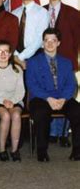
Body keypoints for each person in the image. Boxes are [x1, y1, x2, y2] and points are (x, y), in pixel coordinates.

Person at [26, 28, 80, 162]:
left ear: (58, 43)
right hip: (41, 98)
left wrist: (64, 98)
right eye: (46, 41)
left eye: (53, 40)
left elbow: (72, 84)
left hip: (62, 97)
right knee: (41, 113)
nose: (49, 44)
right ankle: (42, 151)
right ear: (42, 43)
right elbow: (31, 85)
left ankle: (77, 151)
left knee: (77, 111)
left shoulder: (66, 62)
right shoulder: (32, 62)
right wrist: (48, 98)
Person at [12, 0, 49, 69]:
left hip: (35, 55)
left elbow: (40, 38)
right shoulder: (14, 13)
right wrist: (16, 56)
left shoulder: (42, 12)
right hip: (15, 57)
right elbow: (12, 36)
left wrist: (21, 57)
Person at [44, 0, 80, 71]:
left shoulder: (73, 13)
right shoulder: (41, 11)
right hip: (44, 61)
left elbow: (77, 39)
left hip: (66, 59)